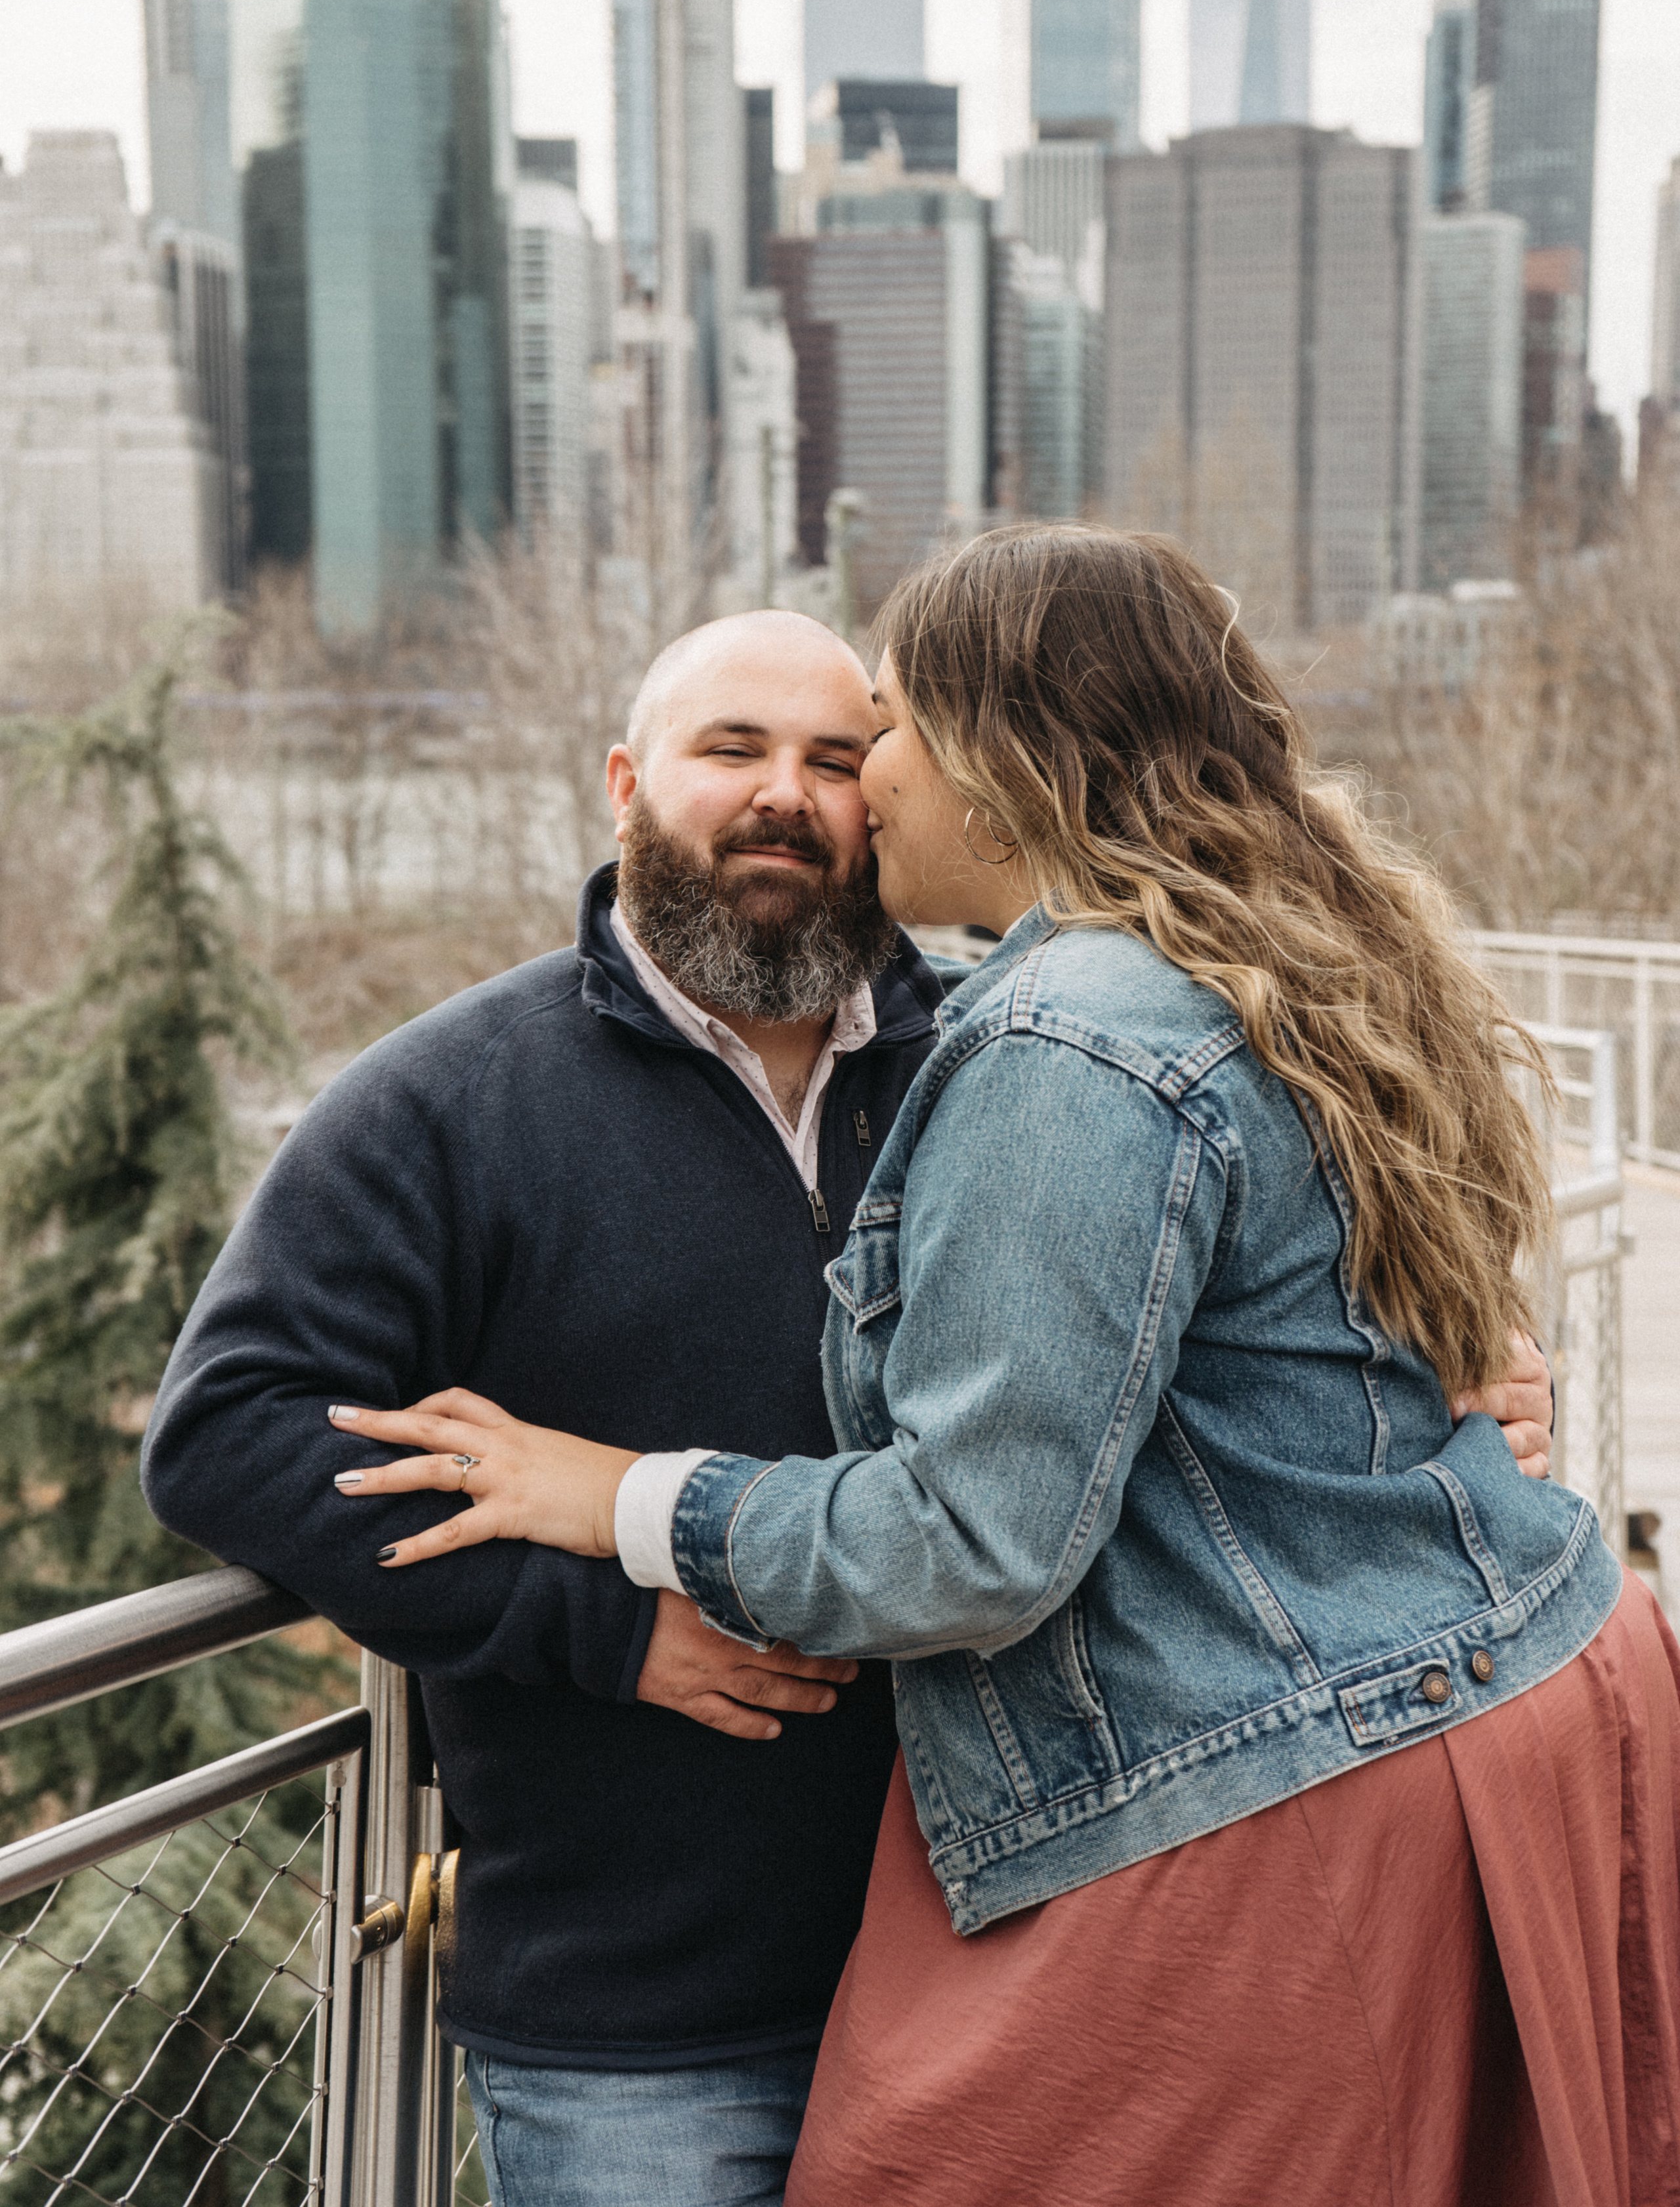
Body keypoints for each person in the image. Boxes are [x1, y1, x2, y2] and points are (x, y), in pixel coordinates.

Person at [333, 529, 1672, 2206]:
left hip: (1289, 1772)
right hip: (1511, 1675)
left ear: (996, 748)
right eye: (758, 749)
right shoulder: (1263, 965)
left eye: (872, 732)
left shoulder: (1065, 1042)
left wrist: (613, 1497)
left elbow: (973, 1543)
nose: (848, 786)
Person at [142, 612, 947, 2207]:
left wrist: (1452, 1363)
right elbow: (230, 1430)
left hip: (976, 1969)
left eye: (833, 759)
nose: (784, 793)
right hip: (635, 2031)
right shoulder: (449, 1099)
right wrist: (601, 1624)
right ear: (627, 785)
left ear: (885, 805)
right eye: (732, 750)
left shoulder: (990, 1065)